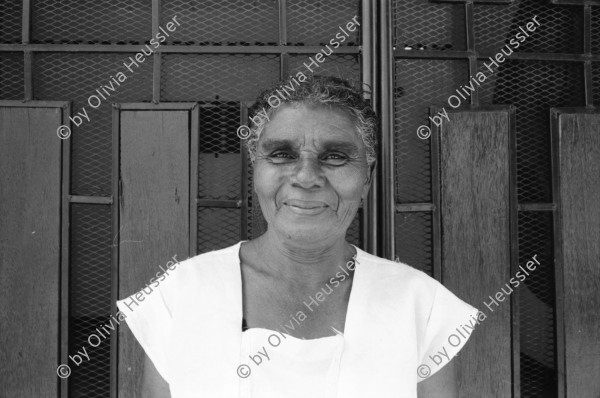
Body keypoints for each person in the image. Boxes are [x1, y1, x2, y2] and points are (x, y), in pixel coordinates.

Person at [117, 75, 479, 398]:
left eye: (335, 156)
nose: (306, 177)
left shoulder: (422, 307)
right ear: (255, 170)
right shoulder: (180, 295)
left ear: (366, 178)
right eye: (281, 154)